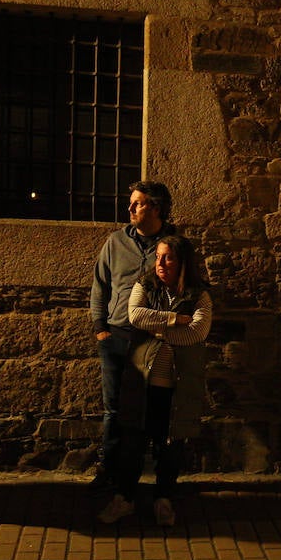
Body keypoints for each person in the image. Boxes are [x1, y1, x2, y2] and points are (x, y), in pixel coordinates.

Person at [98, 235, 212, 526]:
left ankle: (163, 499)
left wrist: (157, 329)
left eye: (168, 258)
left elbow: (197, 332)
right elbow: (136, 315)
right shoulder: (145, 284)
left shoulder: (199, 295)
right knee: (132, 441)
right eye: (158, 257)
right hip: (142, 382)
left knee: (169, 444)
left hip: (175, 385)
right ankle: (125, 498)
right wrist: (173, 321)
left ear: (182, 262)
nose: (160, 263)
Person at [90, 181, 175, 492]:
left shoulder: (173, 245)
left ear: (155, 207)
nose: (129, 209)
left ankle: (154, 478)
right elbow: (100, 285)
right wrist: (101, 328)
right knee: (114, 408)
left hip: (154, 339)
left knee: (156, 408)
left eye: (137, 203)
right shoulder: (115, 242)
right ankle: (107, 470)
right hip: (116, 335)